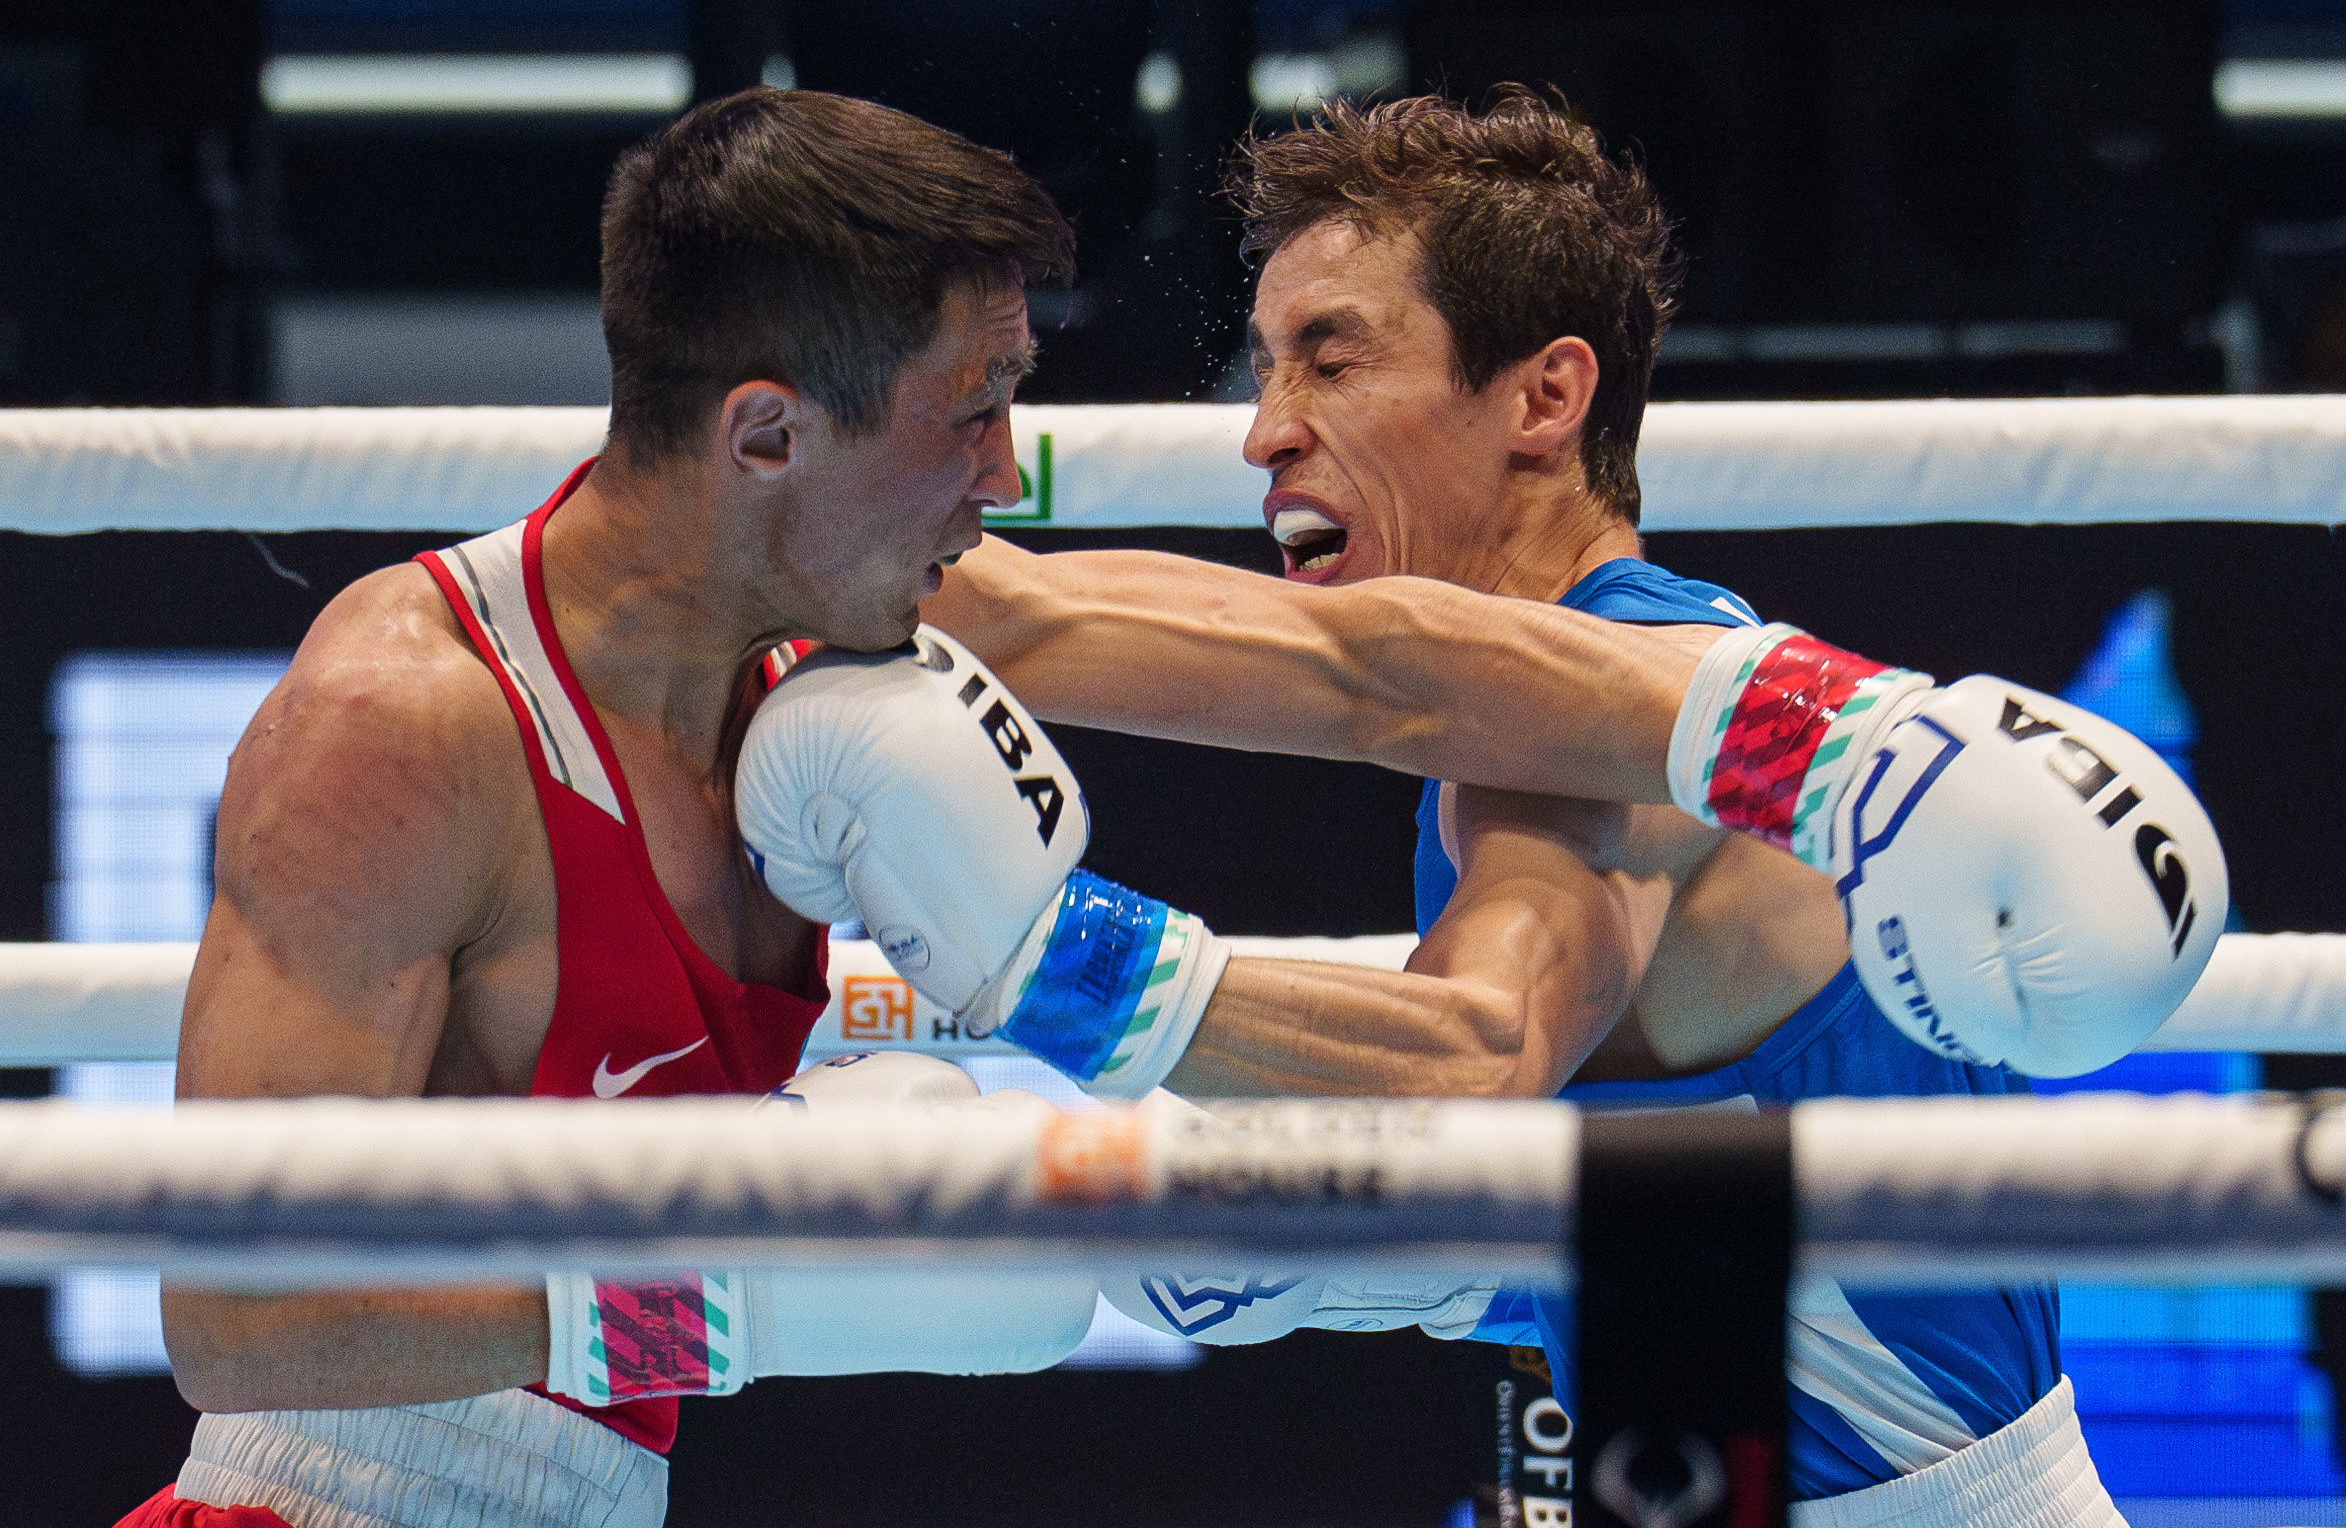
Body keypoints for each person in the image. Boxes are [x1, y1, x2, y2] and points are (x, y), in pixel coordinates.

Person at [767, 91, 2219, 1524]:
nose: (1266, 431)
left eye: (1330, 363)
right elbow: (1288, 666)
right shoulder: (1575, 696)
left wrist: (1051, 966)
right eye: (1267, 368)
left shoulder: (1620, 736)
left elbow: (1471, 1065)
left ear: (1542, 396)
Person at [119, 87, 1103, 1528]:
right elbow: (237, 1323)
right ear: (764, 435)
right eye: (968, 413)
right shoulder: (403, 724)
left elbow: (1328, 673)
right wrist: (722, 1295)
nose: (1002, 480)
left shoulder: (814, 673)